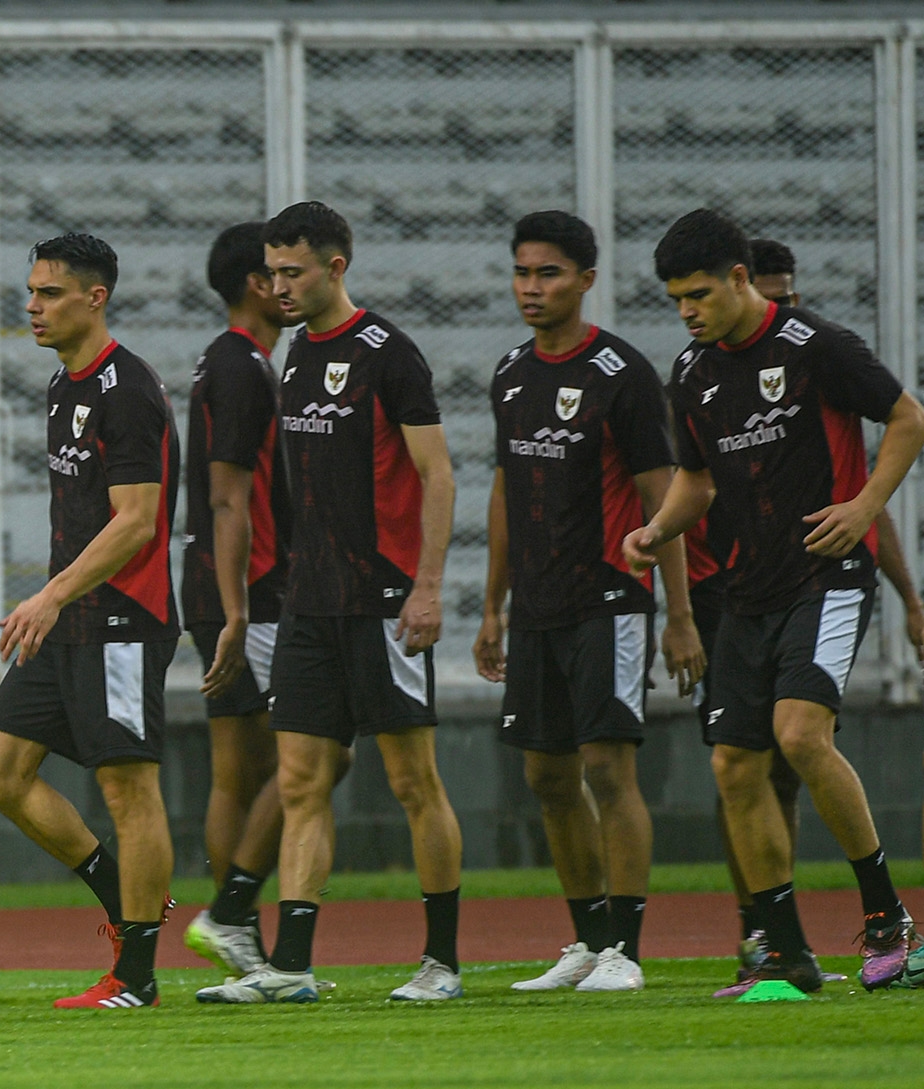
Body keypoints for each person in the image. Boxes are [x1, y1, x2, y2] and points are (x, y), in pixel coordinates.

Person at [621, 209, 924, 994]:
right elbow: (699, 478)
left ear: (738, 279)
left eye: (697, 294)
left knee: (799, 735)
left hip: (826, 577)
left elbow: (905, 418)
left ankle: (891, 923)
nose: (686, 310)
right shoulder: (691, 372)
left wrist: (863, 507)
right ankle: (786, 956)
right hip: (748, 589)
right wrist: (657, 529)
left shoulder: (815, 346)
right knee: (733, 764)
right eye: (673, 299)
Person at [199, 202, 464, 1004]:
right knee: (304, 782)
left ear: (336, 267)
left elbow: (439, 474)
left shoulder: (389, 353)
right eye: (272, 273)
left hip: (382, 597)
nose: (280, 286)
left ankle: (442, 963)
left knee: (414, 782)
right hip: (309, 602)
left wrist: (425, 586)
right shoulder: (295, 359)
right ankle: (291, 966)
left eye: (294, 271)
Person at [474, 211, 694, 994]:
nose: (532, 288)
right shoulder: (510, 373)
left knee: (608, 766)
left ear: (586, 281)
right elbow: (505, 488)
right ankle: (587, 938)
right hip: (535, 605)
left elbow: (659, 499)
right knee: (546, 776)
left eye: (549, 274)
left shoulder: (621, 374)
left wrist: (680, 615)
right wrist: (493, 605)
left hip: (609, 596)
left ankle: (625, 951)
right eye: (523, 272)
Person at [0, 233, 180, 1011]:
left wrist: (51, 594)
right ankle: (127, 899)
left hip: (122, 620)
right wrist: (56, 600)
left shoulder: (128, 390)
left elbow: (136, 522)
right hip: (68, 618)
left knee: (129, 790)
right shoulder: (65, 387)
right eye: (29, 292)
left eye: (49, 293)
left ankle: (138, 975)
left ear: (96, 298)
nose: (32, 306)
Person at [179, 220, 297, 981]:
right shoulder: (244, 368)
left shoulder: (222, 363)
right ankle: (230, 913)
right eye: (279, 272)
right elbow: (229, 499)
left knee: (239, 769)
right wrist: (240, 609)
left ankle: (238, 938)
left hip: (215, 585)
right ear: (257, 283)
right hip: (248, 590)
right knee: (320, 754)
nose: (290, 285)